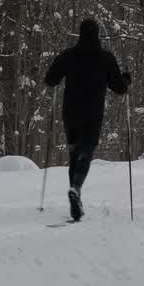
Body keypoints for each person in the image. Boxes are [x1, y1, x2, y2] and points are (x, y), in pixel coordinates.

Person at [44, 19, 131, 221]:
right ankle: (76, 188)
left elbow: (50, 80)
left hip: (71, 112)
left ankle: (76, 197)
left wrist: (58, 73)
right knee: (86, 151)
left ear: (80, 34)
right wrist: (126, 79)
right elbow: (119, 88)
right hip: (92, 113)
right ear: (97, 34)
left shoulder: (68, 56)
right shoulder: (105, 58)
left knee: (74, 152)